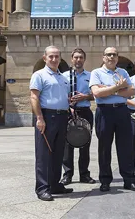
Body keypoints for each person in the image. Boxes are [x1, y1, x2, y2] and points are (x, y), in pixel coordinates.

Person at [89, 47, 135, 192]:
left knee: (126, 147)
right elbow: (97, 93)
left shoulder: (123, 72)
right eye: (108, 54)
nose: (111, 57)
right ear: (103, 57)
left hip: (122, 110)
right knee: (104, 147)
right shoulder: (96, 73)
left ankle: (129, 180)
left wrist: (110, 89)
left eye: (114, 54)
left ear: (117, 57)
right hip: (104, 112)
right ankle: (105, 180)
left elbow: (132, 91)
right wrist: (118, 88)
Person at [29, 46, 74, 201]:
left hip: (62, 117)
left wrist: (69, 107)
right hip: (47, 117)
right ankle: (42, 188)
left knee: (58, 153)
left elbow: (63, 97)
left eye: (57, 56)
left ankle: (55, 185)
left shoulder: (63, 78)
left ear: (60, 58)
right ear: (45, 58)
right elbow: (34, 97)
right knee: (43, 154)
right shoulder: (39, 75)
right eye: (51, 57)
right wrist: (39, 118)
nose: (54, 59)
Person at [60, 48, 96, 185]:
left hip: (85, 111)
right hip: (68, 111)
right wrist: (68, 104)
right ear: (71, 59)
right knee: (67, 145)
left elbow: (96, 95)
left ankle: (84, 174)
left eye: (81, 57)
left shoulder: (91, 76)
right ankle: (67, 175)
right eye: (76, 57)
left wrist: (85, 96)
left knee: (85, 143)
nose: (78, 60)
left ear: (84, 59)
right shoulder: (63, 76)